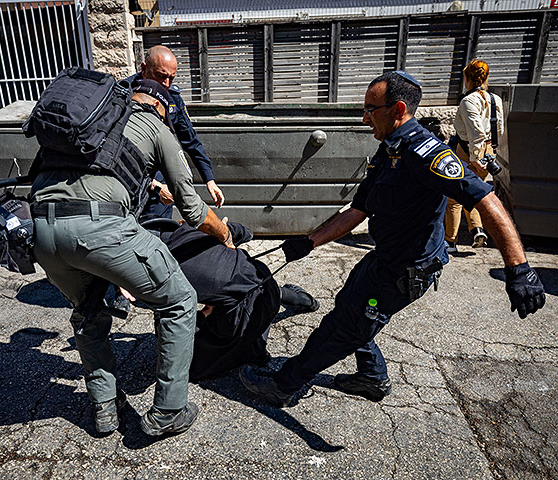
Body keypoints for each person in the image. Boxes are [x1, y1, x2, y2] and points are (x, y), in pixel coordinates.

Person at [239, 71, 546, 407]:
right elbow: (357, 211)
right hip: (385, 259)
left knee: (344, 327)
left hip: (405, 271)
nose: (364, 117)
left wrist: (518, 268)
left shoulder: (427, 155)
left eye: (371, 109)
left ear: (398, 108)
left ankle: (285, 384)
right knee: (352, 303)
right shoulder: (389, 150)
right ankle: (371, 376)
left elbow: (486, 199)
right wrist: (308, 242)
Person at [30, 78, 234, 436]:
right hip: (100, 226)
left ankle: (105, 409)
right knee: (180, 301)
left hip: (42, 232)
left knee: (89, 313)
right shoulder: (156, 126)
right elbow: (191, 207)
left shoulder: (93, 125)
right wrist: (224, 234)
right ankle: (170, 409)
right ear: (163, 108)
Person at [142, 219, 320, 381]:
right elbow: (245, 231)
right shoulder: (190, 228)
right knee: (248, 286)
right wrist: (224, 235)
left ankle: (254, 351)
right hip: (260, 281)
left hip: (254, 304)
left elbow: (173, 321)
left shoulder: (157, 277)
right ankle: (300, 299)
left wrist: (204, 313)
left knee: (188, 368)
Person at [126, 45, 225, 219]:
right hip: (129, 186)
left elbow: (191, 141)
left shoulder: (172, 98)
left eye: (171, 78)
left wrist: (209, 179)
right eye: (161, 76)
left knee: (161, 233)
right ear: (144, 68)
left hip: (161, 190)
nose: (166, 84)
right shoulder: (122, 95)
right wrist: (153, 184)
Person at [444, 59, 504, 252]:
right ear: (486, 77)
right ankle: (477, 229)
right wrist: (489, 151)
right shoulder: (496, 99)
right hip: (488, 151)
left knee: (454, 197)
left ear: (467, 78)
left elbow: (475, 132)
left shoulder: (468, 101)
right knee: (476, 192)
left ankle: (450, 241)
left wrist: (476, 158)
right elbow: (499, 129)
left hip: (469, 151)